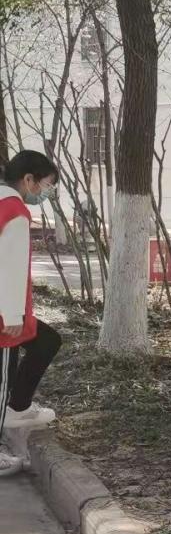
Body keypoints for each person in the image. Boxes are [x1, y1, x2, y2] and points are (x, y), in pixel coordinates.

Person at [0, 151, 62, 437]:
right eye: (46, 185)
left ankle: (19, 408)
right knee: (3, 383)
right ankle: (14, 412)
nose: (45, 192)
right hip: (5, 313)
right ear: (28, 180)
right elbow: (11, 267)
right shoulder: (15, 212)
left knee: (46, 340)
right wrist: (12, 315)